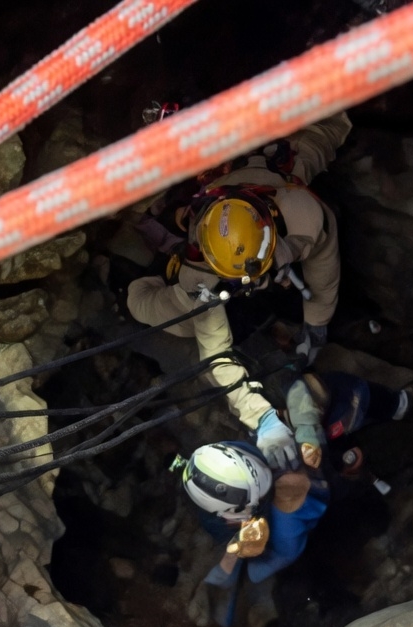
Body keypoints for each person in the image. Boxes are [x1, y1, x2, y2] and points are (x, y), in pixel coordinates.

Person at [125, 112, 353, 474]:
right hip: (213, 232)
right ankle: (138, 282)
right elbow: (215, 353)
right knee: (170, 317)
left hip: (271, 176)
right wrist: (259, 415)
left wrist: (318, 322)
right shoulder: (202, 265)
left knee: (322, 133)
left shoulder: (307, 215)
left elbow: (324, 270)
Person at [174, 370, 413, 626]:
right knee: (361, 509)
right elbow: (257, 570)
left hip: (321, 477)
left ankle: (396, 406)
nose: (277, 473)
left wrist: (303, 427)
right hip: (329, 499)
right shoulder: (283, 534)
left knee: (336, 398)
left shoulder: (249, 456)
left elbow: (297, 385)